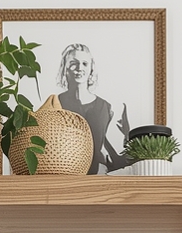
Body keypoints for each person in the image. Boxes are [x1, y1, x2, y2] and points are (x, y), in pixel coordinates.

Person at [55, 44, 130, 174]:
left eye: (84, 63)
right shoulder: (56, 103)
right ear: (65, 68)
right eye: (73, 63)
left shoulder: (105, 107)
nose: (79, 68)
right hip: (63, 177)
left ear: (91, 68)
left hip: (97, 177)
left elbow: (110, 152)